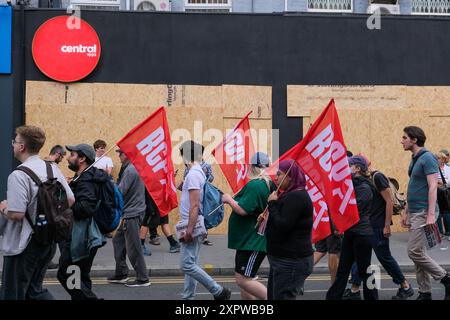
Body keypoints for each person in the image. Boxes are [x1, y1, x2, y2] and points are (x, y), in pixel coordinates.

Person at [0, 126, 74, 300]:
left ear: (22, 147)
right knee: (34, 291)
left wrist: (4, 207)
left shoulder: (18, 175)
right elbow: (70, 200)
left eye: (15, 141)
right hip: (47, 240)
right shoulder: (51, 169)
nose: (13, 145)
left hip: (23, 245)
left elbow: (16, 214)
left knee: (13, 294)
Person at [343, 156, 414, 300]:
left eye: (350, 165)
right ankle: (355, 290)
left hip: (378, 226)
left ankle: (405, 285)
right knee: (359, 258)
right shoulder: (362, 180)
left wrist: (387, 225)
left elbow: (389, 201)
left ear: (358, 166)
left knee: (384, 257)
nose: (347, 168)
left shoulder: (377, 177)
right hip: (366, 226)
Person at [177, 140, 231, 300]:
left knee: (186, 264)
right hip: (193, 222)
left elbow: (195, 206)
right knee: (191, 263)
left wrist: (189, 230)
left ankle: (218, 291)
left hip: (191, 223)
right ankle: (188, 297)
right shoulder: (198, 171)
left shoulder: (193, 174)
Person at [401, 126, 450, 300]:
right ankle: (425, 292)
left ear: (414, 140)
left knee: (413, 251)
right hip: (415, 211)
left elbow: (432, 186)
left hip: (423, 211)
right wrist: (406, 211)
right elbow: (413, 186)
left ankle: (445, 278)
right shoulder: (414, 158)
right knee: (419, 253)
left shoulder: (428, 157)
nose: (402, 140)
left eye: (405, 137)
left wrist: (430, 215)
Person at [57, 143, 107, 300]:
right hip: (85, 237)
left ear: (82, 158)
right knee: (81, 276)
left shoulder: (86, 180)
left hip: (79, 238)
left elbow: (85, 208)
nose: (68, 158)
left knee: (67, 274)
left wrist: (67, 199)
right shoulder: (86, 177)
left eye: (72, 155)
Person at [222, 152, 274, 300]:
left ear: (252, 167)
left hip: (252, 241)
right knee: (245, 280)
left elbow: (243, 210)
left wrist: (228, 200)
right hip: (248, 240)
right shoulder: (266, 183)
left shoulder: (256, 185)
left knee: (243, 279)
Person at [326, 156, 378, 300]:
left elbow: (354, 211)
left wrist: (340, 224)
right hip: (350, 233)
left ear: (357, 169)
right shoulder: (352, 186)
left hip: (362, 235)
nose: (346, 168)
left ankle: (372, 297)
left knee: (365, 271)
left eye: (349, 165)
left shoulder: (365, 188)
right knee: (343, 270)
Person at [264, 159, 314, 300]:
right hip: (282, 260)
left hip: (291, 262)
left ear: (290, 176)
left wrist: (273, 204)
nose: (276, 177)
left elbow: (283, 225)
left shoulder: (297, 196)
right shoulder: (288, 195)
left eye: (279, 174)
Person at [107, 149, 150, 287]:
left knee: (133, 247)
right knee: (118, 241)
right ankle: (121, 273)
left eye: (121, 153)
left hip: (132, 213)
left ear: (128, 155)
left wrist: (108, 183)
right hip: (129, 212)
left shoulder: (130, 170)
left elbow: (120, 191)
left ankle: (143, 278)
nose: (119, 155)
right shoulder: (130, 168)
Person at [178, 151, 215, 246]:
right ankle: (201, 235)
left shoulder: (198, 171)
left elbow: (195, 205)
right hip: (189, 214)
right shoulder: (190, 169)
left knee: (189, 258)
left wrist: (189, 231)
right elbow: (185, 179)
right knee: (191, 256)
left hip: (191, 217)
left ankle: (204, 236)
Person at [44, 145, 68, 270]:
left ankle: (47, 260)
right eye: (62, 156)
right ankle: (52, 261)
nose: (63, 159)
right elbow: (67, 193)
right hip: (54, 208)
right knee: (59, 236)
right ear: (58, 154)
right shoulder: (53, 168)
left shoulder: (42, 165)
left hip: (44, 208)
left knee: (50, 236)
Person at [140, 189, 180, 254]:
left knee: (146, 223)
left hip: (154, 201)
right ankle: (173, 243)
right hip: (160, 201)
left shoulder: (148, 179)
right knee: (163, 222)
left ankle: (140, 246)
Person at [313, 220, 341, 285]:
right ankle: (334, 285)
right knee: (334, 252)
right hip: (332, 222)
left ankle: (298, 277)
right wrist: (336, 226)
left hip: (321, 220)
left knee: (320, 251)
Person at [436, 151, 450, 236]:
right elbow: (431, 180)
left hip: (446, 192)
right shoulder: (433, 168)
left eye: (438, 158)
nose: (437, 160)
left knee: (447, 211)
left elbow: (448, 182)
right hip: (436, 192)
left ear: (443, 159)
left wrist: (442, 182)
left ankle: (448, 231)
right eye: (436, 158)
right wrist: (438, 182)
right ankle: (439, 232)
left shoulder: (448, 168)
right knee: (437, 211)